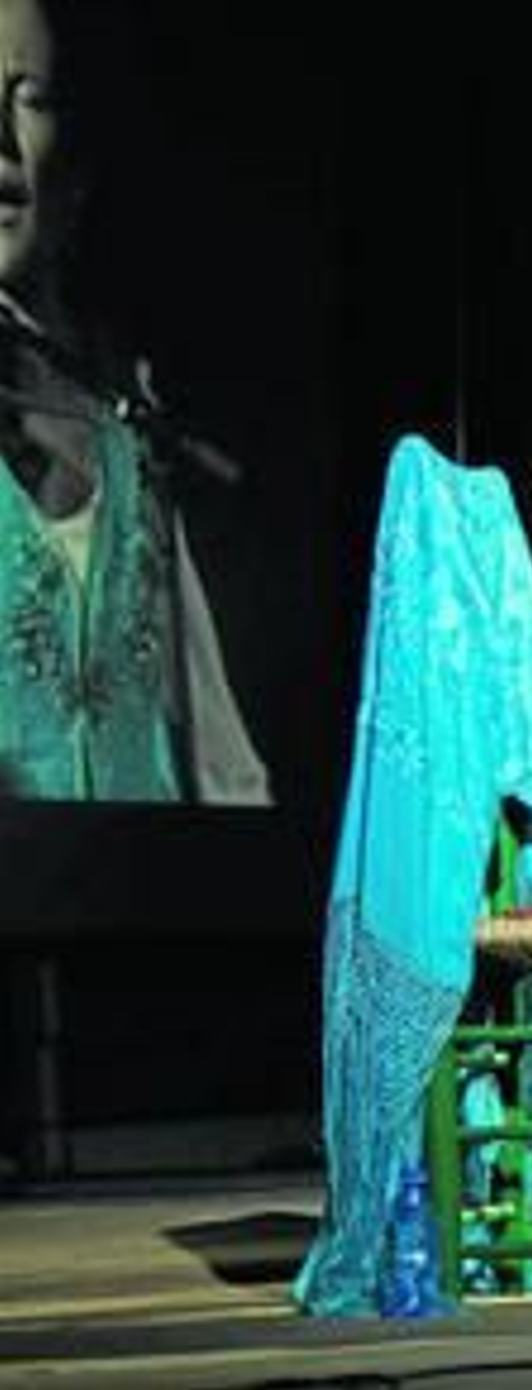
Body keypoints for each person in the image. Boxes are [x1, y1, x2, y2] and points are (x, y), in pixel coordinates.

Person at [0, 0, 269, 804]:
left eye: (30, 98)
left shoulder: (130, 425)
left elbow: (221, 759)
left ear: (76, 171)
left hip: (139, 902)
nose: (1, 139)